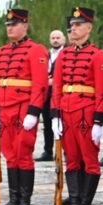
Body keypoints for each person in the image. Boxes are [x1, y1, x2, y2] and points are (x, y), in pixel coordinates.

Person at [0, 8, 48, 205]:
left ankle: (25, 201)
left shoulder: (36, 49)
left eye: (14, 24)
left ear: (25, 25)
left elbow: (40, 84)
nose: (10, 28)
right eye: (8, 25)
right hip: (4, 109)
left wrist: (34, 111)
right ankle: (13, 198)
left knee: (23, 154)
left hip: (23, 108)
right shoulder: (2, 52)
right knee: (9, 155)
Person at [52, 7, 102, 205]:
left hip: (86, 113)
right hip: (67, 112)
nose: (73, 28)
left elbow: (101, 90)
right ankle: (74, 201)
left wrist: (99, 121)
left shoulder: (98, 55)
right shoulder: (63, 54)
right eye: (72, 25)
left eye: (78, 25)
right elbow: (57, 88)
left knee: (89, 160)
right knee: (71, 160)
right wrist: (55, 115)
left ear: (89, 28)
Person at [37, 29, 66, 161]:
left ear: (63, 39)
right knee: (47, 124)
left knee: (63, 124)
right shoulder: (46, 55)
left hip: (62, 95)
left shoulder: (67, 54)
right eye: (53, 38)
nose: (55, 40)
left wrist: (54, 81)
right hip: (47, 95)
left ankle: (64, 151)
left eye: (58, 38)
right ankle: (47, 151)